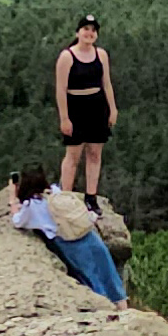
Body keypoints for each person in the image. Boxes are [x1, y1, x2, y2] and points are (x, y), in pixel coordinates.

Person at [8, 165, 126, 303]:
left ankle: (106, 309)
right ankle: (123, 306)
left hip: (69, 242)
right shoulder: (55, 191)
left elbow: (18, 221)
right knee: (108, 272)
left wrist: (13, 200)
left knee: (90, 277)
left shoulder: (31, 206)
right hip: (87, 233)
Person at [55, 15, 117, 212]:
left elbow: (106, 83)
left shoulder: (101, 55)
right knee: (73, 154)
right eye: (86, 29)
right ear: (78, 32)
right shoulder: (67, 56)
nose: (89, 33)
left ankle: (91, 196)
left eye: (93, 30)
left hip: (98, 105)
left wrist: (113, 108)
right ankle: (66, 196)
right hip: (76, 106)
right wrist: (64, 118)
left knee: (95, 153)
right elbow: (60, 89)